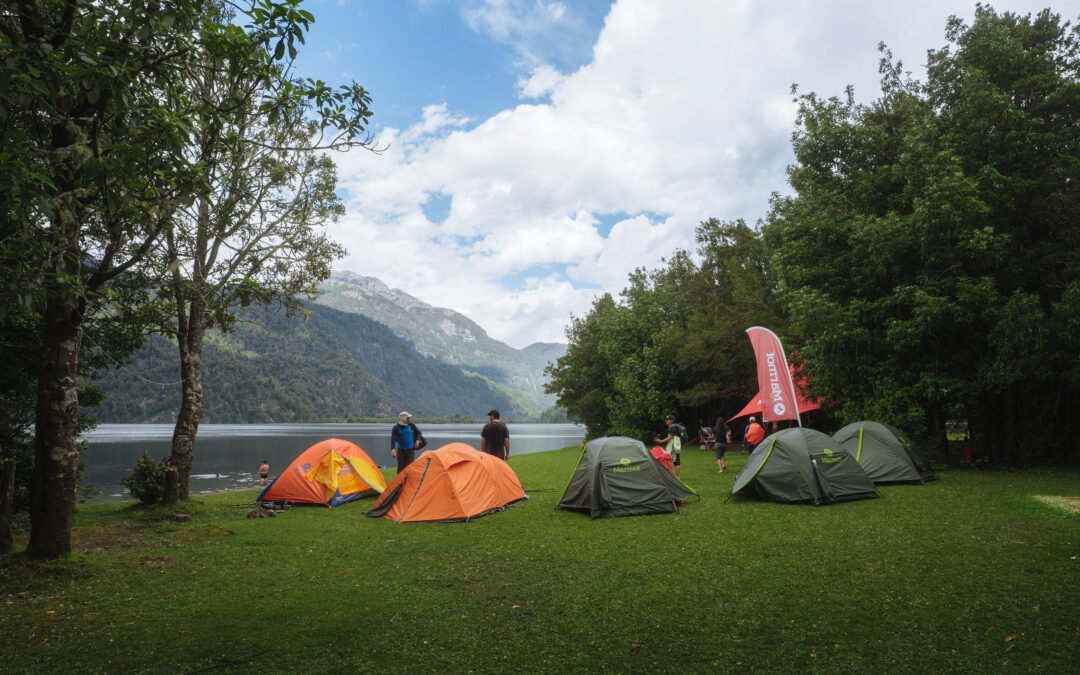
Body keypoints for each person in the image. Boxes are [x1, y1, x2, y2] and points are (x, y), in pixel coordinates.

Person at [655, 414, 684, 479]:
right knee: (675, 459)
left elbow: (669, 437)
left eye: (667, 419)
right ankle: (675, 475)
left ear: (671, 420)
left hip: (673, 446)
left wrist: (660, 441)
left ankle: (677, 476)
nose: (666, 421)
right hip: (676, 445)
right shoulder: (675, 426)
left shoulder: (671, 427)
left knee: (674, 460)